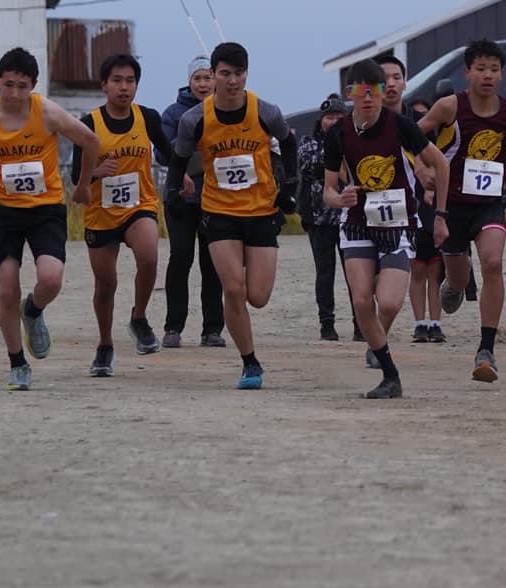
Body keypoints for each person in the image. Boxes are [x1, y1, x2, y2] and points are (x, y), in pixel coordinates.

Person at [0, 47, 101, 390]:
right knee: (6, 290)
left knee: (51, 279)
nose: (16, 94)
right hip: (1, 211)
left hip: (44, 208)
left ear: (34, 85)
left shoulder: (47, 112)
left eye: (23, 86)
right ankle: (17, 363)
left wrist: (82, 186)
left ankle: (33, 310)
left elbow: (91, 140)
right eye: (9, 85)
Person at [173, 42, 297, 391]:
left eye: (238, 73)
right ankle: (250, 362)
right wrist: (173, 192)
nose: (231, 81)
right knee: (234, 288)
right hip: (218, 210)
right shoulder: (195, 118)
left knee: (257, 296)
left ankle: (247, 350)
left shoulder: (264, 111)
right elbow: (179, 157)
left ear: (246, 74)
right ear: (212, 76)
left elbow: (289, 143)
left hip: (260, 211)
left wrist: (289, 186)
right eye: (224, 73)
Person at [326, 59, 448, 399]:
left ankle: (376, 338)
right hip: (357, 226)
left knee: (390, 303)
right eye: (361, 91)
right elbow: (327, 191)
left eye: (374, 90)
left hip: (398, 224)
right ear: (349, 94)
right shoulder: (338, 133)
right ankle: (390, 375)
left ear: (382, 92)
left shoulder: (400, 126)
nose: (368, 97)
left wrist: (440, 214)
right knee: (362, 299)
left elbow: (440, 163)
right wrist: (341, 198)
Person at [419, 40, 506, 383]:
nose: (487, 75)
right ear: (467, 72)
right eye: (480, 69)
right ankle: (453, 282)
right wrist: (425, 173)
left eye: (494, 69)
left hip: (488, 204)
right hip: (451, 206)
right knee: (460, 280)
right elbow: (411, 136)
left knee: (493, 261)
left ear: (501, 74)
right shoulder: (450, 107)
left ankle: (486, 348)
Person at [70, 53, 179, 377]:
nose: (124, 87)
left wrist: (182, 175)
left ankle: (139, 317)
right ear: (104, 85)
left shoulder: (147, 117)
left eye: (130, 81)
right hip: (101, 212)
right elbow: (77, 175)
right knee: (106, 284)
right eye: (117, 80)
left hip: (138, 204)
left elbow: (170, 153)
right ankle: (105, 345)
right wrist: (96, 171)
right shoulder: (89, 124)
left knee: (148, 256)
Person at [159, 57, 223, 349]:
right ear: (189, 81)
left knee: (213, 264)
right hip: (181, 199)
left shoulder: (226, 110)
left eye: (206, 78)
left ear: (214, 80)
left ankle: (212, 330)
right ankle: (173, 327)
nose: (202, 84)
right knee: (181, 257)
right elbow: (164, 153)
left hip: (217, 198)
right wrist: (195, 143)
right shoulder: (172, 113)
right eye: (196, 78)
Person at [298, 96, 349, 340]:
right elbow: (307, 164)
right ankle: (326, 323)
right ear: (321, 120)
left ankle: (362, 324)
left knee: (356, 273)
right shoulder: (309, 143)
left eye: (340, 117)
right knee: (325, 273)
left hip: (350, 219)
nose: (334, 121)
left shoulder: (357, 141)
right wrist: (336, 158)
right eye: (330, 117)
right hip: (319, 220)